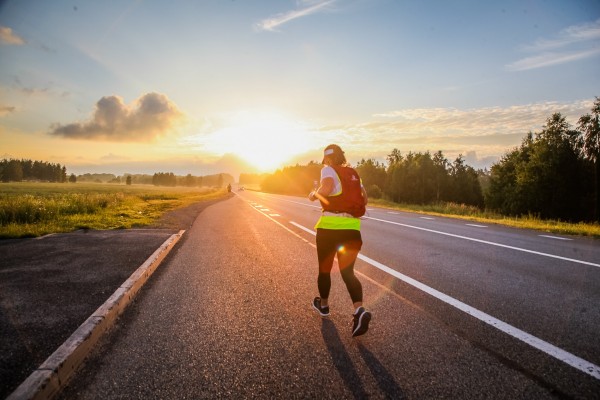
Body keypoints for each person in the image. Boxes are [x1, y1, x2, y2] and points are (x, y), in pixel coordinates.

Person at [308, 144, 372, 337]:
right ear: (341, 156)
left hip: (329, 229)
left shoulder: (327, 169)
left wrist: (314, 194)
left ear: (327, 159)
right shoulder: (353, 173)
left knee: (325, 269)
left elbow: (326, 189)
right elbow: (365, 199)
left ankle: (324, 306)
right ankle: (359, 310)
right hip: (352, 229)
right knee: (348, 273)